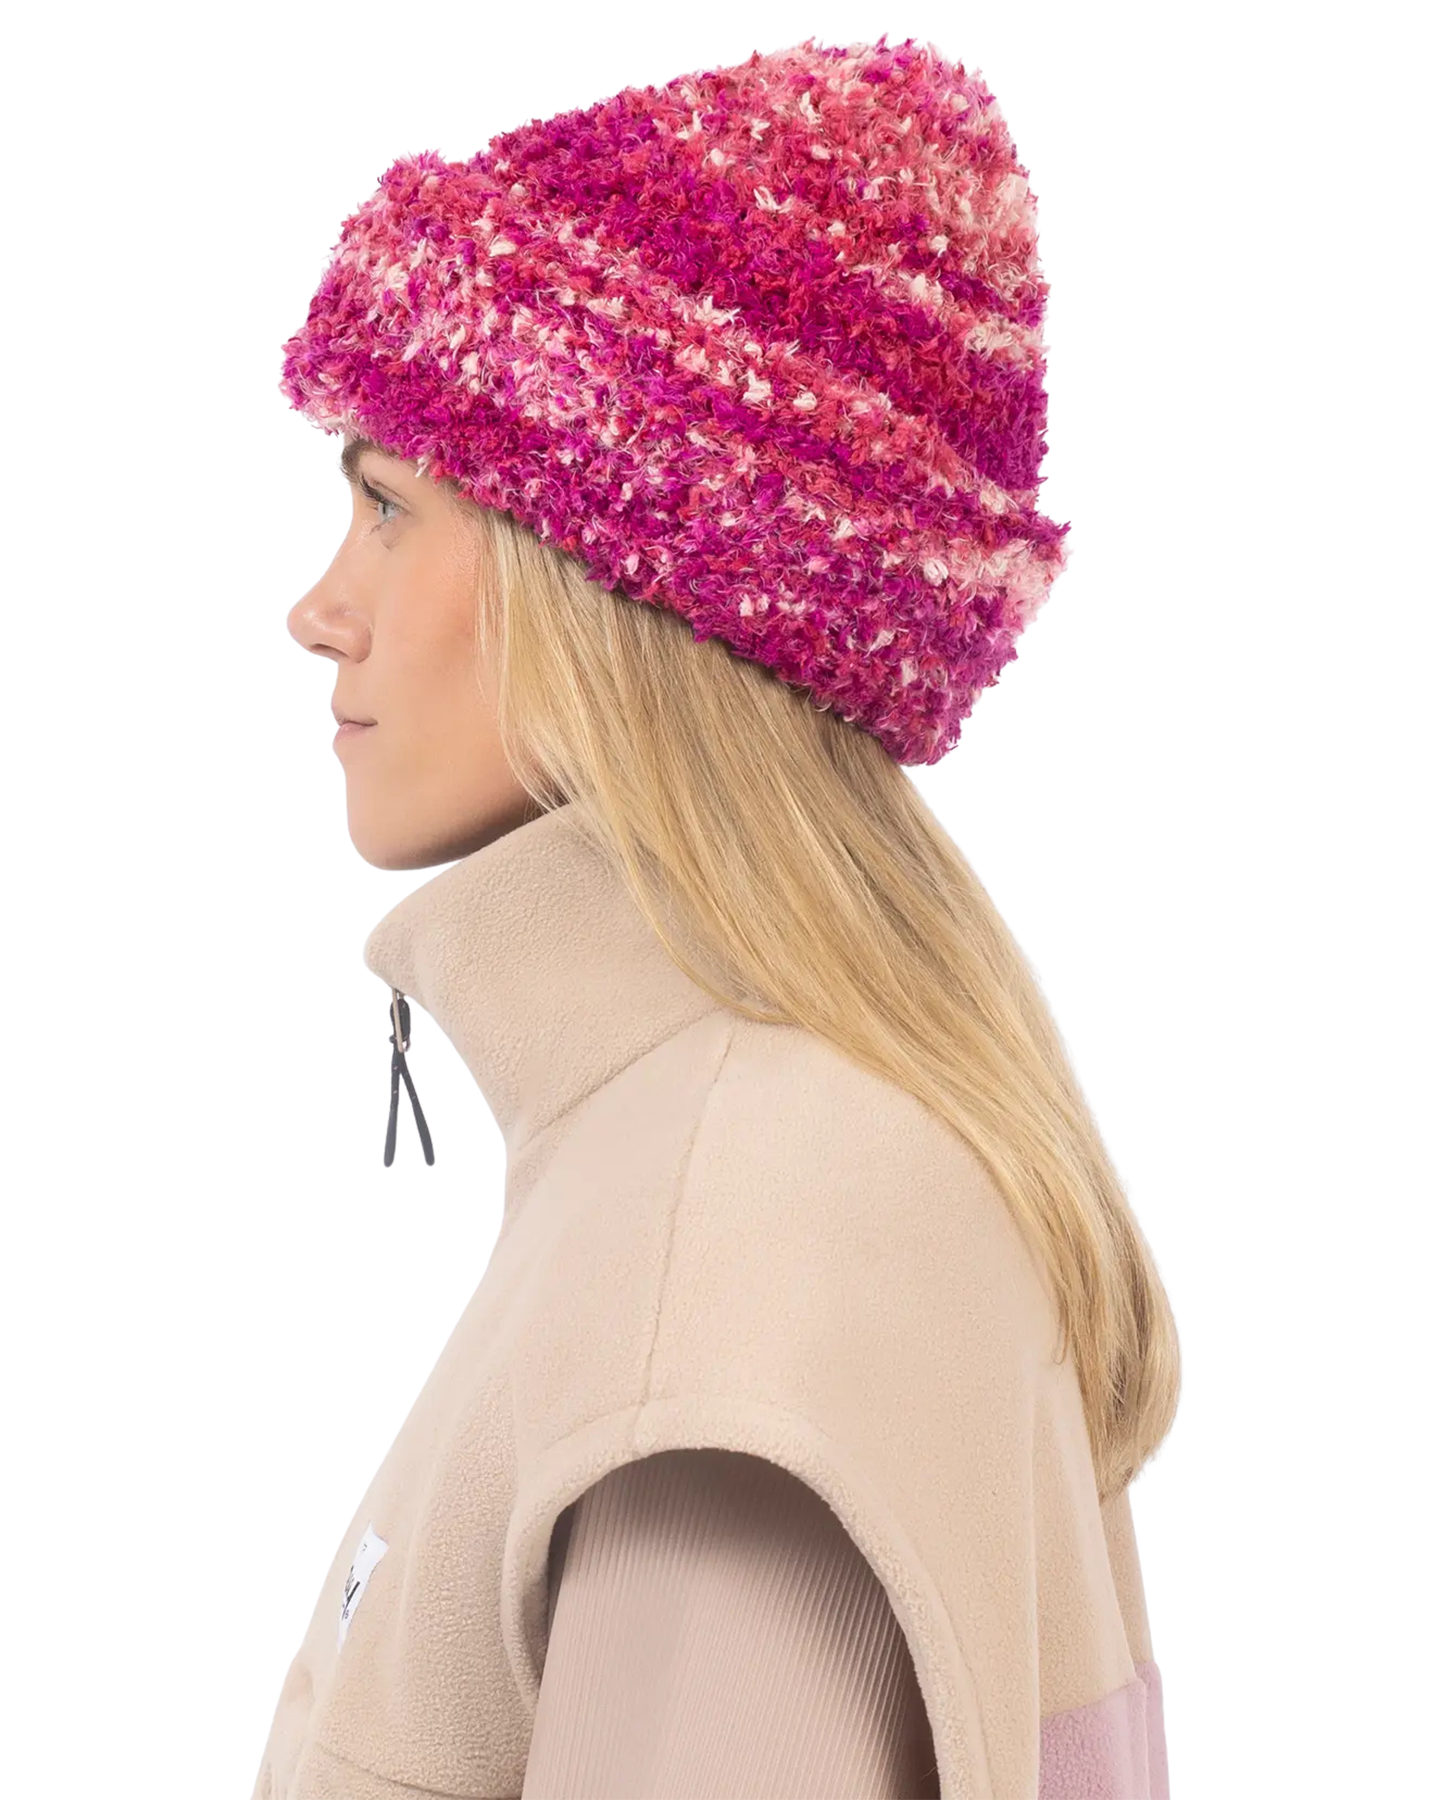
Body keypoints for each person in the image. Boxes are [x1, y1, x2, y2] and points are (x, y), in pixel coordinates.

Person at [254, 39, 1178, 1800]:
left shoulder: (739, 1243)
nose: (320, 610)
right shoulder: (740, 1155)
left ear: (611, 585)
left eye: (387, 509)